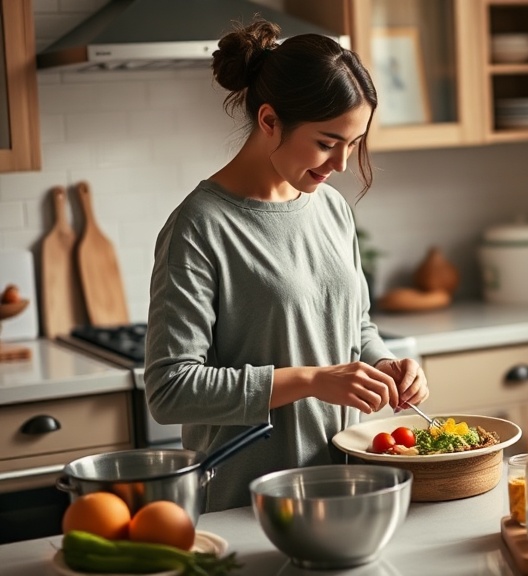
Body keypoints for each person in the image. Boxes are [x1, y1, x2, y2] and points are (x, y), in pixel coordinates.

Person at [144, 17, 428, 512]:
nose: (341, 164)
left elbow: (353, 324)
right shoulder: (199, 226)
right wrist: (313, 380)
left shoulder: (331, 208)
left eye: (354, 145)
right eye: (326, 142)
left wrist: (384, 364)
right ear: (270, 121)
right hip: (247, 505)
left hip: (345, 492)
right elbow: (171, 390)